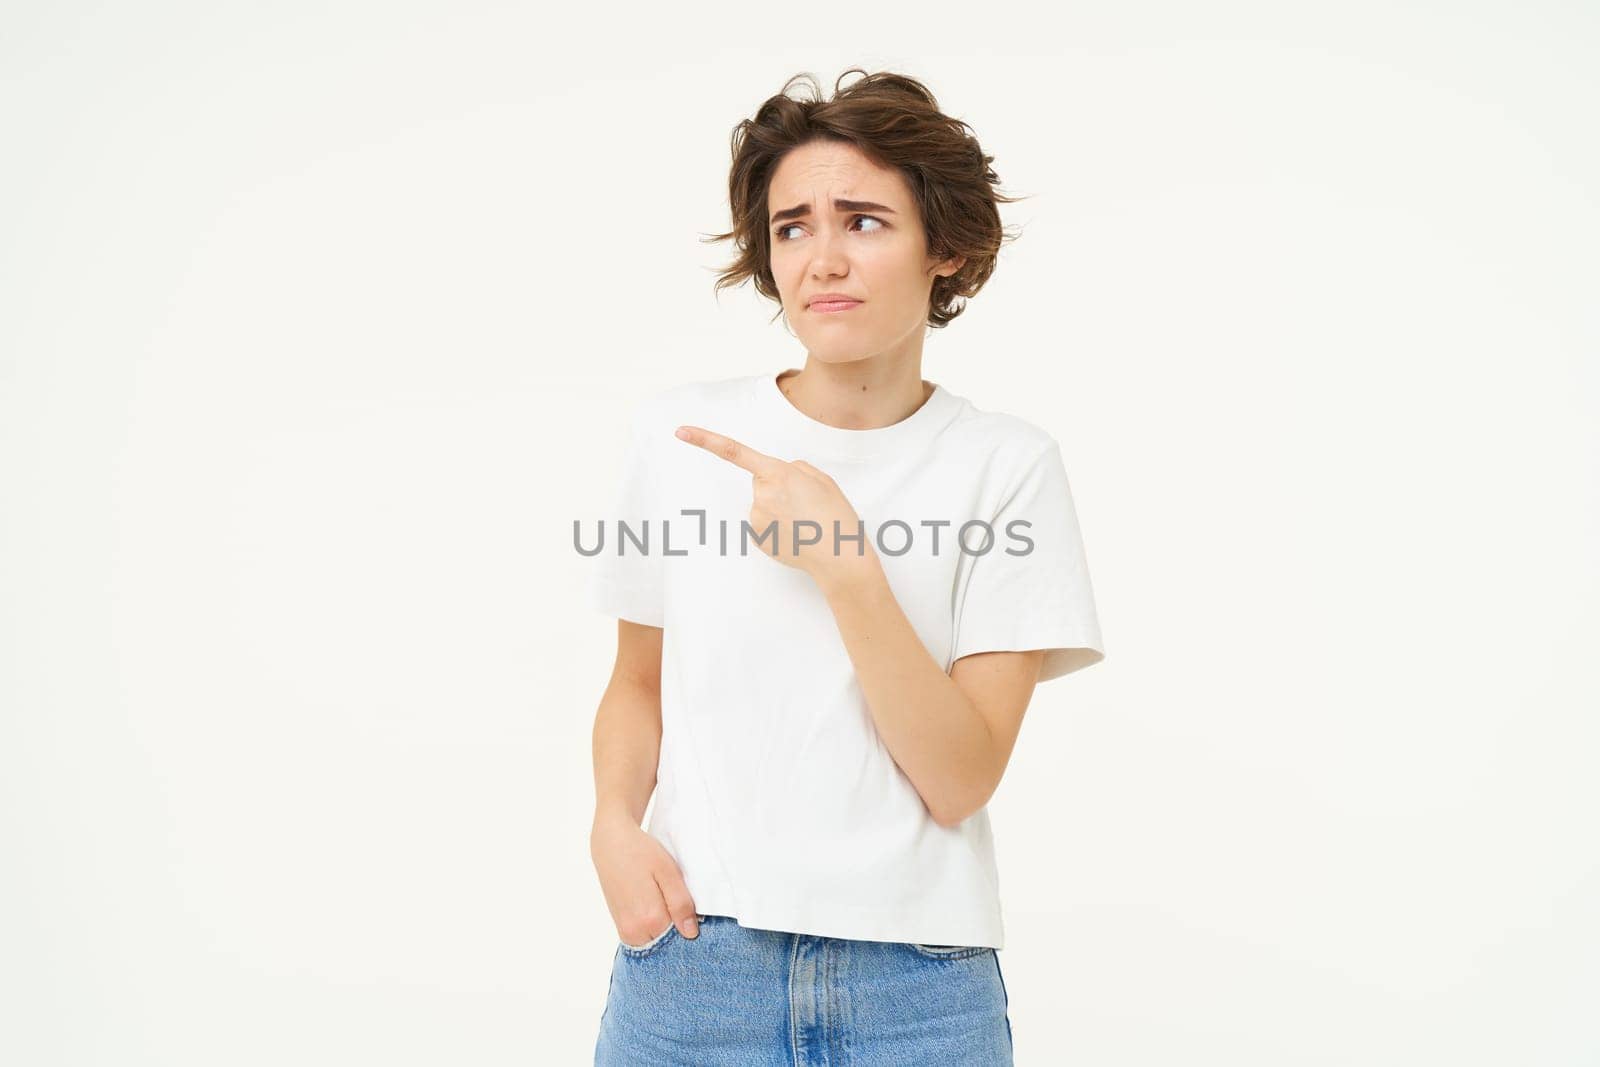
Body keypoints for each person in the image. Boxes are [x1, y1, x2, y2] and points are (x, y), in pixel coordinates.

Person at [585, 68, 1105, 1066]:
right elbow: (635, 683)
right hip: (694, 959)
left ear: (944, 248)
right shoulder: (677, 437)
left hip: (917, 982)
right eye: (792, 227)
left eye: (863, 221)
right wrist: (613, 825)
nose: (820, 258)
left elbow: (958, 777)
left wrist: (845, 565)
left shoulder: (1005, 465)